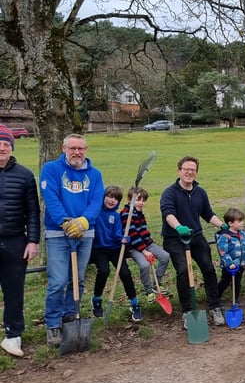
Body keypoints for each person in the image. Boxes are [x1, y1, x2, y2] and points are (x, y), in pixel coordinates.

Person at [40, 133, 105, 347]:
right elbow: (51, 198)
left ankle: (70, 315)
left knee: (77, 280)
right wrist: (65, 222)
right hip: (58, 233)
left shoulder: (94, 174)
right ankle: (53, 323)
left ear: (86, 150)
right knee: (58, 281)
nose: (77, 152)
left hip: (85, 233)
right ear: (63, 148)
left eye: (81, 148)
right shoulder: (51, 169)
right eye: (72, 148)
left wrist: (85, 222)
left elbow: (97, 200)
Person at [160, 156, 226, 328]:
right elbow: (168, 214)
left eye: (193, 170)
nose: (189, 172)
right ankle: (187, 311)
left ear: (196, 172)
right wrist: (179, 227)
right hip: (174, 239)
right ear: (179, 171)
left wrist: (222, 225)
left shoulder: (200, 192)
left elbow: (207, 214)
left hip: (195, 237)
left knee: (209, 268)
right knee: (183, 271)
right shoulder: (169, 193)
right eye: (186, 169)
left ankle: (215, 306)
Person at [0, 125, 41, 357]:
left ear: (12, 147)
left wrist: (32, 241)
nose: (2, 148)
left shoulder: (24, 175)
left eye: (6, 144)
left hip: (16, 241)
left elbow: (32, 212)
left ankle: (13, 335)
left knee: (14, 291)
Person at [90, 186, 143, 322]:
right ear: (104, 197)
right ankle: (96, 299)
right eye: (110, 196)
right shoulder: (95, 212)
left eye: (116, 198)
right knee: (104, 271)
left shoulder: (115, 216)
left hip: (115, 248)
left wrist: (124, 239)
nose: (112, 200)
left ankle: (134, 303)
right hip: (99, 249)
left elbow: (117, 235)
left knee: (125, 273)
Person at [121, 187, 172, 302]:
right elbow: (132, 235)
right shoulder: (126, 214)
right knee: (145, 265)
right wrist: (145, 251)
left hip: (145, 244)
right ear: (129, 200)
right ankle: (148, 291)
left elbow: (143, 232)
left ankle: (157, 284)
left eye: (143, 200)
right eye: (138, 200)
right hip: (133, 247)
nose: (141, 203)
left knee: (165, 256)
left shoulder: (139, 213)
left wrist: (150, 245)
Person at [215, 207, 245, 306]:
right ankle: (216, 297)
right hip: (229, 266)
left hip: (240, 265)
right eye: (239, 221)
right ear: (230, 223)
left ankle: (235, 299)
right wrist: (229, 263)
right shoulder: (225, 236)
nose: (242, 223)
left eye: (242, 221)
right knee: (225, 282)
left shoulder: (243, 235)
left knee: (237, 282)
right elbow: (223, 251)